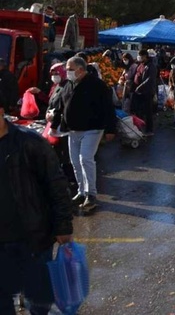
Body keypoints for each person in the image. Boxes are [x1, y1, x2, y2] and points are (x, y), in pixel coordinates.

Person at [0, 90, 74, 315]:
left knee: (38, 301)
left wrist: (63, 227)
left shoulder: (30, 143)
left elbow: (57, 185)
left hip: (32, 238)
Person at [53, 57, 116, 212]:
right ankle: (81, 192)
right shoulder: (68, 85)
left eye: (70, 69)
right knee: (75, 162)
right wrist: (55, 125)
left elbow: (108, 108)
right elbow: (60, 106)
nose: (67, 72)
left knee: (85, 159)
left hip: (92, 129)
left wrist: (110, 129)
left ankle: (91, 194)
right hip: (73, 130)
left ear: (80, 69)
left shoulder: (97, 85)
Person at [132, 49, 157, 136]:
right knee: (140, 110)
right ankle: (141, 128)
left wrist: (140, 86)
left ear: (145, 56)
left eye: (141, 56)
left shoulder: (151, 66)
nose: (139, 58)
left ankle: (149, 130)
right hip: (140, 92)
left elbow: (149, 79)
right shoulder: (141, 65)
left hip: (147, 92)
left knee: (148, 111)